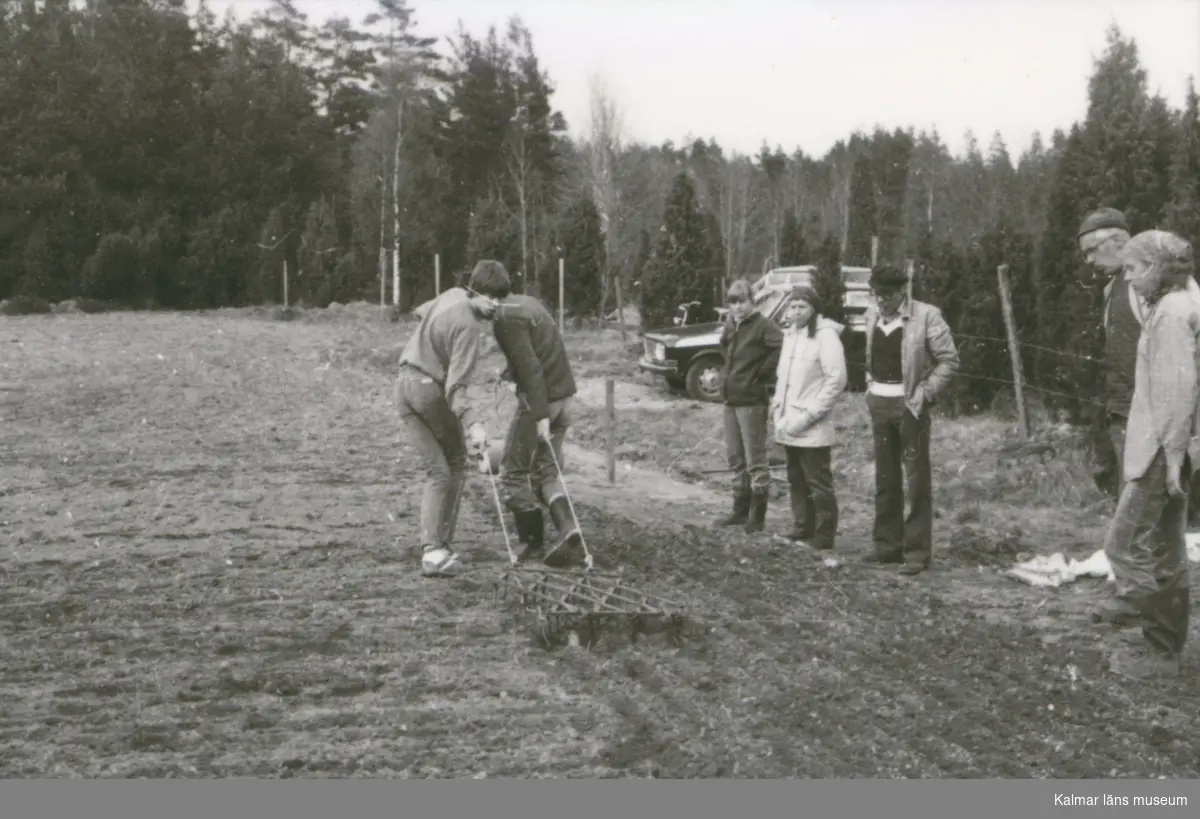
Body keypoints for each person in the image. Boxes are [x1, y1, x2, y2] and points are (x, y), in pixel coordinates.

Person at [1095, 230, 1198, 680]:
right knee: (1168, 548)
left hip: (1159, 448)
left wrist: (1173, 458)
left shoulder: (1172, 314)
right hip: (1170, 446)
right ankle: (1163, 653)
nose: (1130, 279)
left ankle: (1148, 622)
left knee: (1122, 547)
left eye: (1134, 269)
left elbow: (1177, 393)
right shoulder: (1177, 304)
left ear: (1156, 268)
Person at [396, 260, 511, 578]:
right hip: (427, 391)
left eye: (502, 299)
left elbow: (422, 312)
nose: (496, 306)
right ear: (476, 290)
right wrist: (474, 424)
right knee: (454, 464)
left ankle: (434, 547)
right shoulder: (469, 326)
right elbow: (456, 389)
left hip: (403, 386)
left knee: (438, 470)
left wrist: (434, 340)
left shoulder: (452, 294)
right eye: (492, 298)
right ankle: (436, 550)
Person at [862, 264, 960, 576]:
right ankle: (887, 547)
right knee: (885, 479)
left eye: (887, 296)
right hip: (879, 405)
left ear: (902, 292)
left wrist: (925, 392)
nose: (881, 302)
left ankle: (917, 552)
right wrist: (870, 387)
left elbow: (949, 360)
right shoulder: (871, 316)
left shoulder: (927, 315)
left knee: (916, 479)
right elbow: (870, 357)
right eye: (876, 295)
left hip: (909, 410)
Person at [492, 292, 584, 567]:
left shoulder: (503, 316)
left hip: (541, 402)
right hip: (566, 397)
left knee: (512, 472)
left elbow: (531, 367)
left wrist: (540, 414)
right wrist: (510, 371)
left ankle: (531, 543)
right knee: (546, 469)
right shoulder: (528, 303)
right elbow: (537, 351)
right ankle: (568, 529)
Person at [770, 285, 848, 550]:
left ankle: (824, 535)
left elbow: (836, 380)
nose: (796, 311)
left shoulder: (826, 337)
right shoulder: (790, 335)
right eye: (792, 306)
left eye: (802, 306)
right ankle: (802, 527)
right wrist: (777, 410)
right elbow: (784, 377)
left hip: (812, 423)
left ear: (814, 309)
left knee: (817, 480)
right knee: (796, 478)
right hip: (789, 421)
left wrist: (812, 413)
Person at [715, 278, 783, 533]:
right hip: (730, 399)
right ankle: (739, 510)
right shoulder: (731, 324)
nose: (737, 307)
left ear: (752, 302)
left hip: (752, 400)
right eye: (732, 302)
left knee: (755, 458)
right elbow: (724, 346)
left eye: (742, 302)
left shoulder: (763, 325)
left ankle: (757, 516)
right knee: (735, 456)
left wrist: (760, 374)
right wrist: (726, 377)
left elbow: (780, 346)